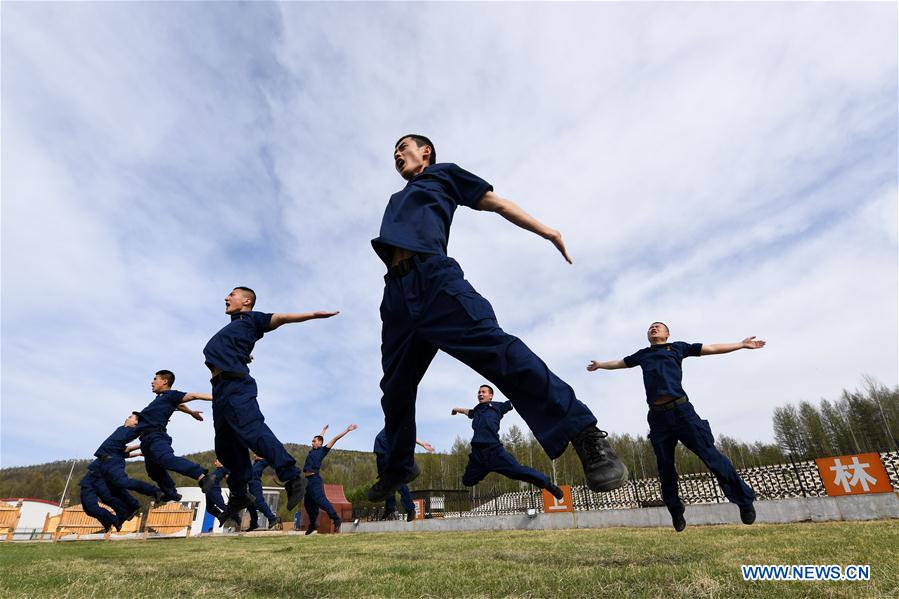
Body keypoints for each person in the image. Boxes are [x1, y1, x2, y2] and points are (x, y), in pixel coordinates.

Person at [368, 134, 627, 501]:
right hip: (395, 296)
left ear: (425, 151)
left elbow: (498, 205)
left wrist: (548, 230)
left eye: (403, 147)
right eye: (392, 152)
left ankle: (585, 434)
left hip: (436, 283)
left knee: (500, 352)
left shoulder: (444, 175)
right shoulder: (397, 199)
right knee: (394, 389)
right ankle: (398, 465)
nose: (396, 154)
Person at [587, 321, 764, 531]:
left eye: (658, 327)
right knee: (665, 467)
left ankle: (744, 501)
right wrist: (600, 365)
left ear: (667, 334)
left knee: (712, 456)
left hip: (683, 413)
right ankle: (675, 510)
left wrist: (741, 345)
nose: (653, 329)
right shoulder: (643, 355)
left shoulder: (678, 348)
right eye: (650, 328)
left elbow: (712, 348)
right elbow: (619, 363)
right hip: (658, 418)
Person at [202, 286, 338, 524]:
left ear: (246, 301)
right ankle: (238, 494)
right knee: (225, 447)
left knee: (252, 431)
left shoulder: (253, 318)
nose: (226, 297)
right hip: (220, 389)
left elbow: (282, 318)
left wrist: (312, 315)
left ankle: (292, 475)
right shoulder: (236, 326)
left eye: (231, 294)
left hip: (236, 385)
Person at [452, 385, 564, 500]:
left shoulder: (498, 406)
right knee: (467, 481)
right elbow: (466, 411)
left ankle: (548, 485)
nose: (480, 394)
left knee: (518, 471)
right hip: (478, 455)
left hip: (494, 451)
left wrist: (534, 392)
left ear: (490, 396)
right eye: (479, 392)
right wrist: (457, 409)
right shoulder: (476, 410)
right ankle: (485, 469)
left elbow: (515, 400)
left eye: (483, 392)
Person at [135, 370, 213, 502]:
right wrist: (191, 412)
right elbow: (180, 405)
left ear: (164, 381)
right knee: (153, 471)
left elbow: (194, 396)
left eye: (155, 379)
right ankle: (171, 493)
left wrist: (219, 396)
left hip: (156, 436)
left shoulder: (171, 394)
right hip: (146, 441)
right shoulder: (162, 398)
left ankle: (201, 476)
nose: (152, 382)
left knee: (166, 459)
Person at [302, 424, 357, 534]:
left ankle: (336, 518)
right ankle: (313, 524)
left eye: (314, 441)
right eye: (312, 441)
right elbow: (320, 437)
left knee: (320, 501)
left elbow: (335, 438)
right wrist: (323, 430)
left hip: (315, 479)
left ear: (320, 443)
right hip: (307, 481)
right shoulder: (313, 450)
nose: (312, 443)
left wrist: (347, 430)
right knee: (308, 504)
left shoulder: (323, 450)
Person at [372, 428, 433, 521]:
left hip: (387, 455)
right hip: (381, 455)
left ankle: (409, 508)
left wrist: (422, 443)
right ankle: (390, 509)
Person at [247, 454, 281, 531]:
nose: (254, 455)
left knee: (259, 502)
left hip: (255, 484)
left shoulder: (263, 461)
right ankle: (254, 523)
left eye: (256, 453)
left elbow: (272, 459)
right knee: (250, 504)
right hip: (250, 485)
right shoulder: (255, 463)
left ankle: (272, 518)